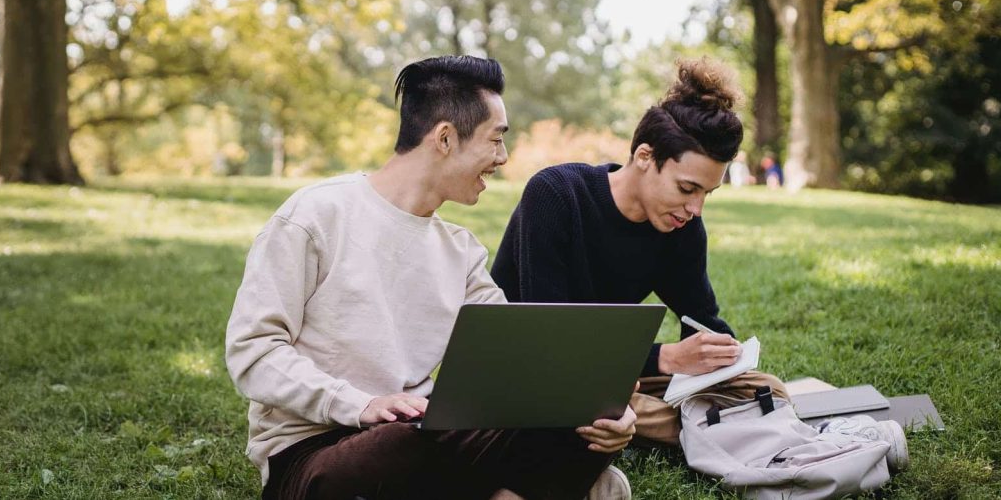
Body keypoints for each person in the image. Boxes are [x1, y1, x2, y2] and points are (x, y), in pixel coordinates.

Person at [225, 55, 636, 500]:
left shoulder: (460, 251)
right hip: (317, 452)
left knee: (574, 427)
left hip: (427, 435)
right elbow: (254, 352)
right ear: (444, 137)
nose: (503, 157)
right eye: (495, 140)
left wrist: (601, 410)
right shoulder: (315, 216)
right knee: (402, 443)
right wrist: (360, 404)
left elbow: (520, 365)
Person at [490, 57, 787, 447]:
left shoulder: (682, 226)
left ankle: (668, 420)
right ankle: (702, 425)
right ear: (645, 157)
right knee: (584, 400)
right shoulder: (557, 195)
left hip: (609, 372)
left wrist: (720, 355)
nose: (695, 208)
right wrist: (665, 358)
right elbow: (548, 340)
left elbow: (701, 319)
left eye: (705, 194)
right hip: (533, 370)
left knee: (767, 389)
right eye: (687, 189)